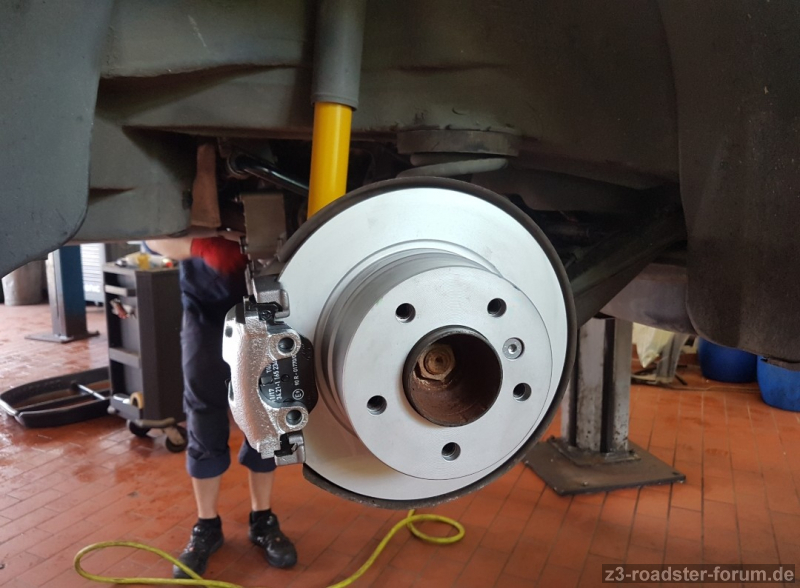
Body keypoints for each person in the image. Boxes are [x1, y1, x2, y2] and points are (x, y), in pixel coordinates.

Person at [146, 235, 297, 578]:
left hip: (261, 309)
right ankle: (207, 525)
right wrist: (201, 247)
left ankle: (262, 518)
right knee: (203, 410)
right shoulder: (189, 203)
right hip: (204, 312)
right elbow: (153, 239)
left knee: (264, 411)